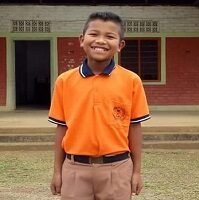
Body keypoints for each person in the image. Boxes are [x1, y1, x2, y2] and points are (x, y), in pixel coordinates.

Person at [48, 11, 150, 200]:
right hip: (74, 168)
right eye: (94, 34)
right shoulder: (64, 81)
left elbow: (135, 127)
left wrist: (136, 172)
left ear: (120, 45)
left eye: (110, 36)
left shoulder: (131, 81)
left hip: (118, 168)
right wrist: (58, 171)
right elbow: (61, 128)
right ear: (81, 39)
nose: (101, 41)